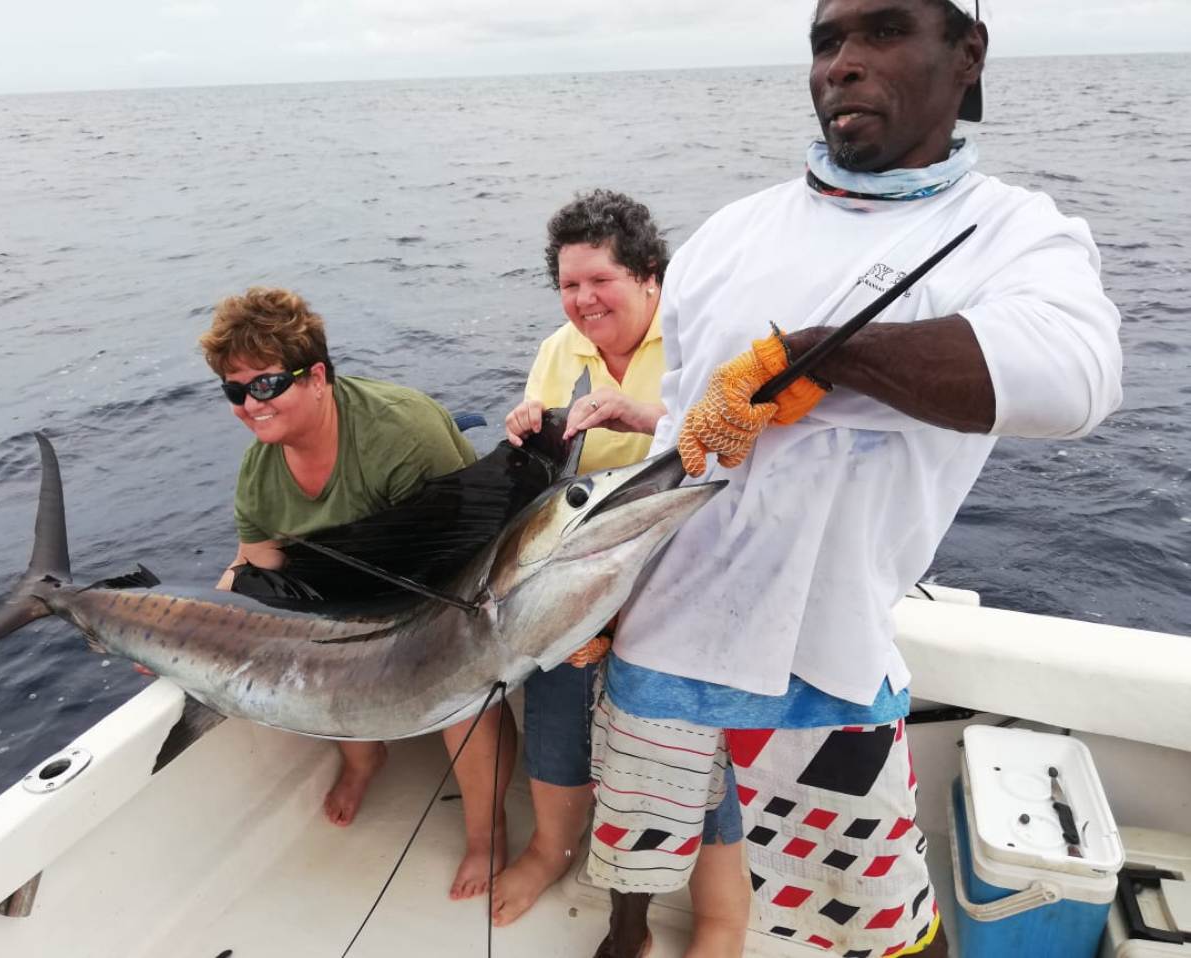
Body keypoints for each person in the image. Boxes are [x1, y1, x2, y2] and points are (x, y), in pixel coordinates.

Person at [586, 2, 1124, 957]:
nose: (842, 64)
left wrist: (817, 357)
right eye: (825, 42)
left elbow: (1075, 377)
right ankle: (625, 937)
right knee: (635, 847)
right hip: (660, 634)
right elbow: (678, 435)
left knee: (869, 925)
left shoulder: (1011, 232)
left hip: (823, 659)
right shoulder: (729, 231)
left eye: (880, 33)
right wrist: (603, 587)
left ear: (967, 53)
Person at [198, 286, 518, 901]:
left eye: (264, 384)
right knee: (298, 663)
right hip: (348, 599)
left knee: (459, 693)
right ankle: (361, 758)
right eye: (234, 391)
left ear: (316, 376)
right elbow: (253, 575)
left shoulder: (402, 432)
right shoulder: (259, 475)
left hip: (451, 588)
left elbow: (474, 553)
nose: (248, 405)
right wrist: (193, 628)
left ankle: (486, 830)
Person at [492, 191, 746, 941]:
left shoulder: (701, 336)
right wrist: (525, 440)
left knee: (690, 739)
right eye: (569, 285)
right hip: (584, 580)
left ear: (648, 276)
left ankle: (723, 914)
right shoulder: (556, 352)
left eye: (598, 281)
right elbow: (540, 486)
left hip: (682, 577)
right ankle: (549, 846)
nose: (582, 300)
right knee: (551, 689)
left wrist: (645, 421)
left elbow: (733, 449)